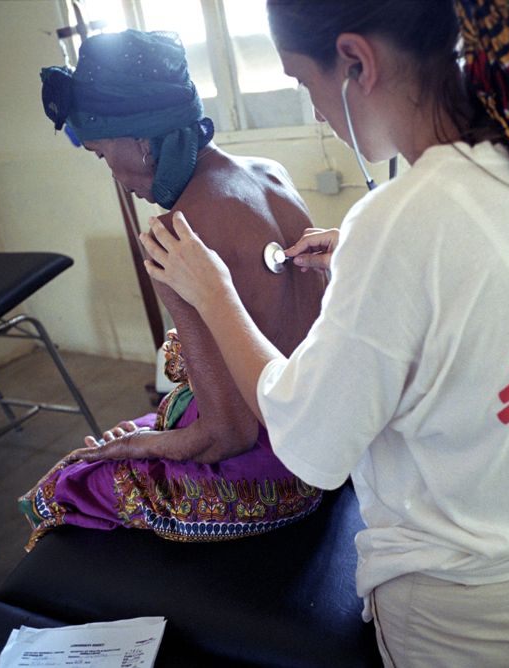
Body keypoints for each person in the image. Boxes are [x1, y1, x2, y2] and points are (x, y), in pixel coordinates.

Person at [139, 1, 509, 665]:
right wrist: (371, 277)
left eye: (305, 84)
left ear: (356, 61)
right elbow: (484, 307)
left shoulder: (398, 224)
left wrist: (212, 294)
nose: (314, 112)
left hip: (455, 598)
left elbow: (311, 444)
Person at [19, 29, 326, 549]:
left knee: (70, 480)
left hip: (282, 474)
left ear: (140, 140)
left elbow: (231, 435)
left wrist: (150, 446)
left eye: (101, 154)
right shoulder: (271, 175)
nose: (114, 174)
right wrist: (158, 432)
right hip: (327, 435)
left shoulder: (176, 240)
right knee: (152, 421)